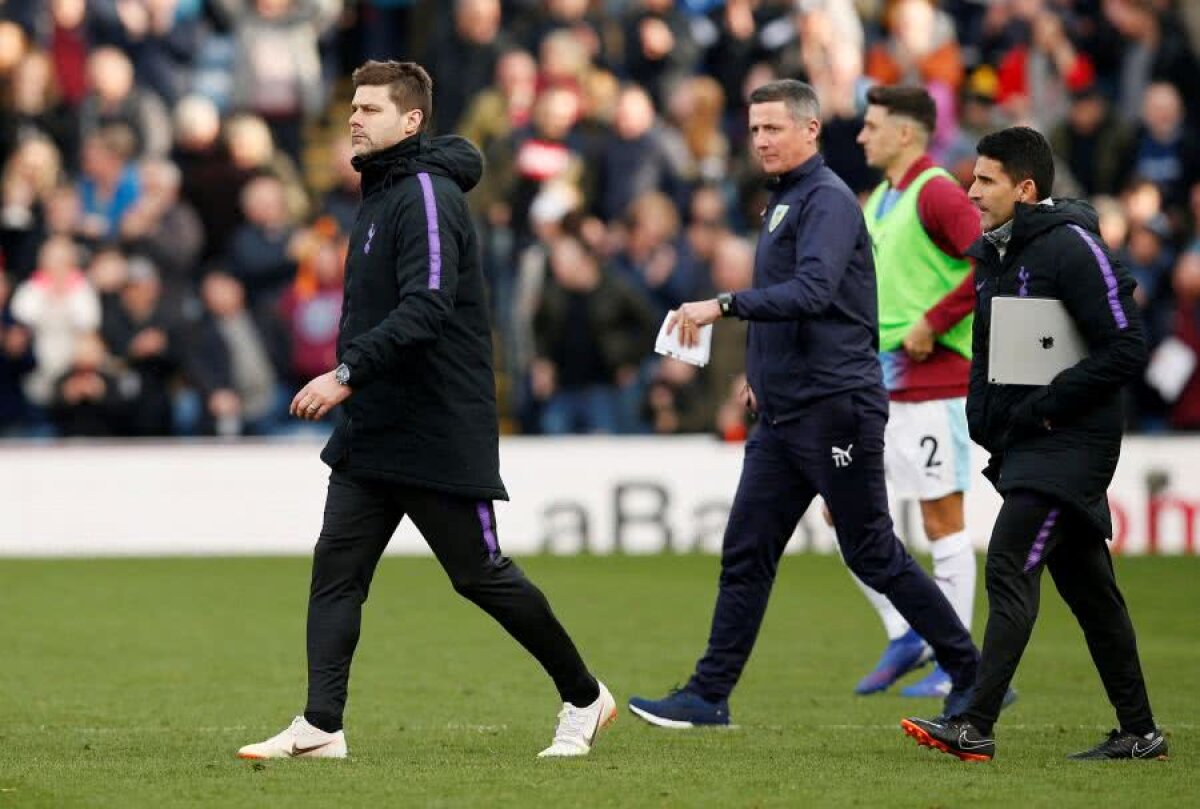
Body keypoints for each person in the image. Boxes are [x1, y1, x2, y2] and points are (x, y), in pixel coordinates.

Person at [236, 60, 614, 761]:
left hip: (436, 426)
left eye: (372, 109)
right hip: (374, 429)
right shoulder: (378, 194)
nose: (354, 117)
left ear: (411, 121)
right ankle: (321, 724)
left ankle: (586, 696)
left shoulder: (426, 195)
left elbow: (428, 305)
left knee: (480, 575)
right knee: (336, 572)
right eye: (353, 106)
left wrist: (345, 372)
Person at [627, 79, 979, 729]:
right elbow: (804, 304)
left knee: (872, 550)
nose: (760, 139)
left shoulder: (826, 200)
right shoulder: (788, 200)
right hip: (786, 413)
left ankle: (969, 669)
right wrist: (761, 372)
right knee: (746, 550)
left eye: (773, 128)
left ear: (810, 131)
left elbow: (814, 291)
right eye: (754, 128)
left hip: (835, 408)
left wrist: (723, 304)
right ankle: (709, 694)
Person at [901, 127, 1166, 762]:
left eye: (985, 180)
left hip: (1069, 444)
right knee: (1091, 592)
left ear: (1026, 189)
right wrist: (986, 419)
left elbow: (1128, 346)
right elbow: (1000, 354)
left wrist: (1046, 408)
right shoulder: (997, 253)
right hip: (1032, 443)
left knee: (1009, 562)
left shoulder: (1072, 246)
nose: (972, 190)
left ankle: (974, 723)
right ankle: (1140, 733)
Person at [848, 85, 980, 699]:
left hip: (933, 383)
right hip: (881, 382)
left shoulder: (939, 192)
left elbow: (993, 262)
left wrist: (936, 320)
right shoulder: (881, 199)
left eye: (872, 126)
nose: (861, 135)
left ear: (906, 133)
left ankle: (956, 661)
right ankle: (909, 631)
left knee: (942, 521)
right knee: (842, 509)